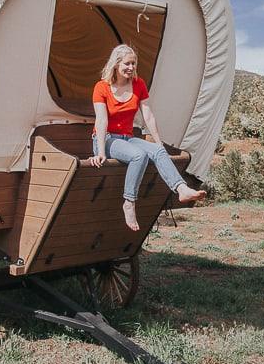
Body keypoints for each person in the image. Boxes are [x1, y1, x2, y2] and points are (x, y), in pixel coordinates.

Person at [88, 44, 206, 230]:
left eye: (134, 64)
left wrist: (159, 145)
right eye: (127, 63)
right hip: (107, 139)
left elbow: (148, 116)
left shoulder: (138, 84)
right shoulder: (101, 87)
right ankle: (129, 202)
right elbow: (101, 121)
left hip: (127, 138)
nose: (131, 68)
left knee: (156, 151)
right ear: (116, 64)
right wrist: (101, 151)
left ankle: (181, 190)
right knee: (138, 155)